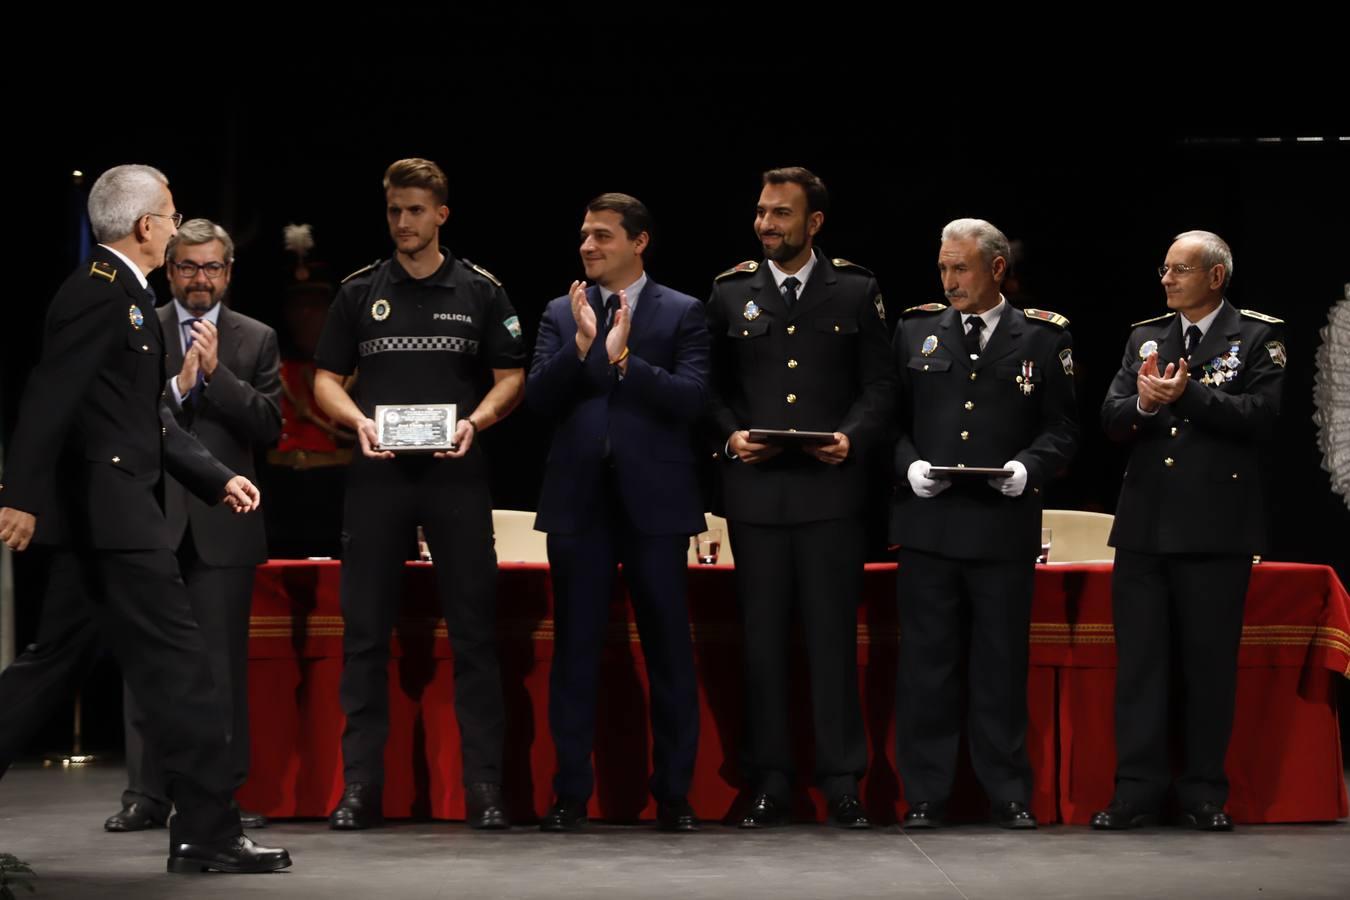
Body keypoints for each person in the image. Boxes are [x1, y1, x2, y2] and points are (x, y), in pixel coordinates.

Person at [0, 164, 289, 873]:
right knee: (183, 673)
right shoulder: (100, 295)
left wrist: (218, 477)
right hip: (119, 523)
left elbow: (142, 423)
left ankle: (204, 833)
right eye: (168, 209)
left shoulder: (123, 297)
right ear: (146, 227)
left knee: (47, 671)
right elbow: (48, 396)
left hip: (107, 520)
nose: (173, 217)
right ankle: (208, 837)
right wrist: (21, 494)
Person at [313, 158, 525, 830]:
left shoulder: (482, 289)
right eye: (394, 211)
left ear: (441, 215)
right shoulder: (356, 292)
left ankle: (486, 789)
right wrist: (358, 423)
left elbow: (511, 375)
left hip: (455, 476)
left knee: (473, 636)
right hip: (377, 477)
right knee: (365, 638)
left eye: (414, 210)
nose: (403, 222)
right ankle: (359, 791)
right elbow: (323, 381)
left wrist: (476, 422)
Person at [705, 166, 892, 829]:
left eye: (781, 214)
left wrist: (852, 438)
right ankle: (770, 780)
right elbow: (712, 387)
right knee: (761, 646)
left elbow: (880, 386)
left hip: (830, 495)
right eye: (761, 212)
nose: (766, 225)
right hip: (756, 496)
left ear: (814, 223)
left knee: (832, 642)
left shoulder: (855, 289)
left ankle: (842, 781)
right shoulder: (731, 291)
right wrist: (729, 439)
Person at [1093, 230, 1285, 832]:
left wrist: (1189, 396)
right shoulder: (1144, 336)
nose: (1168, 279)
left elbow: (1261, 416)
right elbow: (1112, 417)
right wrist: (1147, 406)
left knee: (1207, 667)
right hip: (1146, 525)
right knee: (1142, 666)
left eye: (1180, 270)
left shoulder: (1257, 335)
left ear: (1216, 277)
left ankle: (1203, 792)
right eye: (1165, 269)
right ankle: (1136, 792)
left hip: (1215, 529)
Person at [528, 193, 709, 832]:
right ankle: (570, 793)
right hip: (579, 503)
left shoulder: (682, 311)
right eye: (584, 235)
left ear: (640, 242)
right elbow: (539, 398)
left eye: (603, 236)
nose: (588, 246)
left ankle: (676, 795)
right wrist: (582, 347)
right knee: (575, 651)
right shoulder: (559, 311)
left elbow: (692, 399)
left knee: (668, 654)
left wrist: (624, 361)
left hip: (655, 504)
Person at [890, 217, 1078, 830]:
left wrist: (1029, 468)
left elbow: (1064, 427)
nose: (949, 280)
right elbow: (886, 418)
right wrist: (908, 465)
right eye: (943, 268)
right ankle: (925, 794)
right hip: (930, 528)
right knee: (928, 667)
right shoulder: (915, 331)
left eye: (960, 268)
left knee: (1000, 666)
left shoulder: (1046, 338)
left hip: (1002, 528)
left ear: (996, 269)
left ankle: (1007, 793)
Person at [106, 219, 281, 834]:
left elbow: (269, 426)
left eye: (212, 268)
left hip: (223, 525)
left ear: (228, 273)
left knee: (220, 669)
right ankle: (145, 795)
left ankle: (219, 798)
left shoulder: (255, 338)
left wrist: (216, 377)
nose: (199, 279)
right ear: (170, 269)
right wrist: (178, 389)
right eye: (187, 267)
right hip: (149, 517)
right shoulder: (137, 327)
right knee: (146, 660)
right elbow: (122, 421)